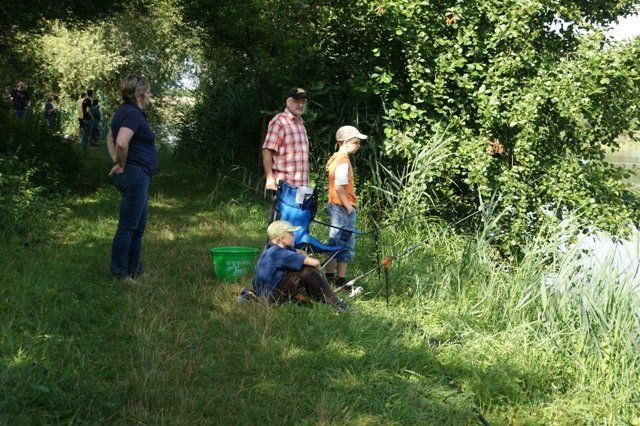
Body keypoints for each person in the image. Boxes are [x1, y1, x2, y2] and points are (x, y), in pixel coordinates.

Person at [107, 75, 156, 282]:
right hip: (135, 174)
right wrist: (121, 164)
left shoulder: (124, 111)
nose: (150, 94)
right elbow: (120, 142)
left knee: (138, 226)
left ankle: (135, 270)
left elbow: (110, 137)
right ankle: (120, 273)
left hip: (138, 174)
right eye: (148, 91)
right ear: (139, 94)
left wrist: (116, 161)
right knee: (128, 226)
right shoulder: (132, 114)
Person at [252, 220, 352, 312]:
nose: (294, 236)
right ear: (282, 238)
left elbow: (300, 251)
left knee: (303, 267)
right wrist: (320, 276)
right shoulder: (281, 253)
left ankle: (323, 296)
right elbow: (316, 263)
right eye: (291, 234)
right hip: (270, 299)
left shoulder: (273, 248)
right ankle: (333, 302)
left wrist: (304, 257)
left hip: (265, 293)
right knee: (307, 270)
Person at [324, 125, 367, 288]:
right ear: (346, 142)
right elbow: (339, 188)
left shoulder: (336, 158)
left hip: (338, 206)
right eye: (356, 142)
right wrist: (349, 207)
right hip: (342, 208)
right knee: (343, 242)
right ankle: (337, 279)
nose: (358, 146)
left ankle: (333, 277)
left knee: (337, 241)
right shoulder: (342, 161)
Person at [262, 87, 310, 191]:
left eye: (303, 102)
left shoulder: (301, 123)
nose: (301, 105)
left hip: (301, 186)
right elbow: (267, 150)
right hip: (284, 186)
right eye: (297, 101)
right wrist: (269, 178)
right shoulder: (279, 122)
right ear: (288, 102)